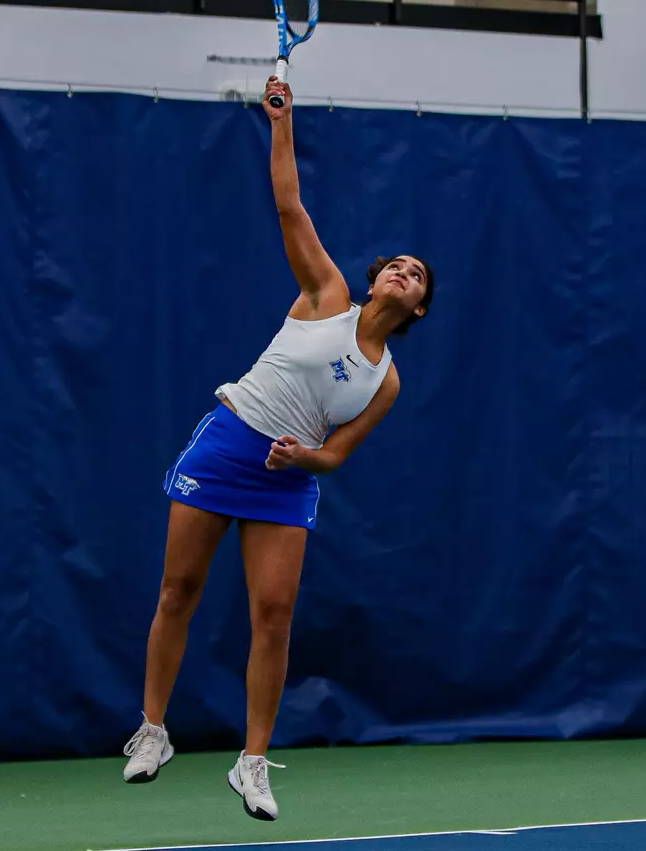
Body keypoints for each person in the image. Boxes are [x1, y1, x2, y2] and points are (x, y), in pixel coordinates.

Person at [120, 78, 434, 821]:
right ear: (371, 280)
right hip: (229, 441)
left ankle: (253, 762)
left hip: (285, 479)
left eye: (415, 274)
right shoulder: (323, 292)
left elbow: (336, 456)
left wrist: (304, 459)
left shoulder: (385, 383)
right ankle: (153, 730)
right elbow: (289, 204)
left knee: (273, 613)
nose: (400, 271)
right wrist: (281, 123)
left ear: (417, 308)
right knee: (177, 592)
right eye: (394, 263)